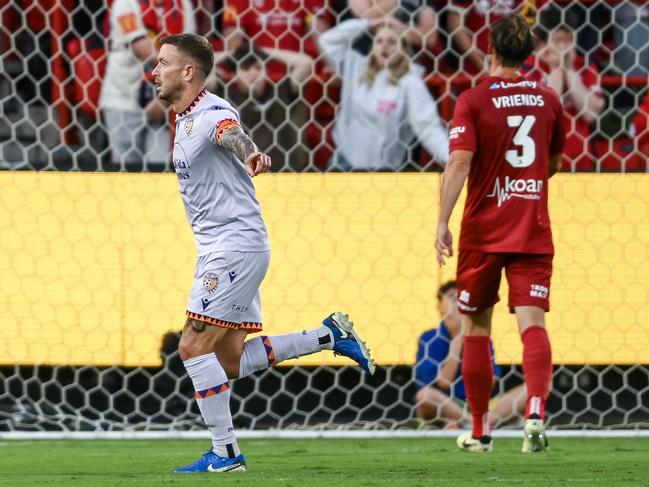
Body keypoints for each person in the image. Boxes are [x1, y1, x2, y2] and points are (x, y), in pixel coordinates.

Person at [151, 33, 375, 473]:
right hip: (231, 246)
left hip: (233, 248)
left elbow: (231, 133)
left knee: (192, 347)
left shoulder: (211, 111)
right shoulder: (184, 119)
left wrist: (251, 153)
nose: (154, 71)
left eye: (162, 63)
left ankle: (226, 452)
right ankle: (329, 335)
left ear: (188, 72)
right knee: (228, 362)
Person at [435, 13, 565, 453]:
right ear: (528, 54)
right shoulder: (548, 99)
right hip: (532, 227)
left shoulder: (473, 99)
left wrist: (442, 222)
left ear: (489, 50)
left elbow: (459, 162)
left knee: (476, 327)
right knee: (533, 324)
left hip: (483, 232)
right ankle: (534, 412)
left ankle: (480, 429)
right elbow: (553, 163)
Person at [318, 17, 449, 171]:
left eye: (392, 42)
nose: (384, 46)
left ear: (404, 48)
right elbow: (327, 40)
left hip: (385, 170)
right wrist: (368, 22)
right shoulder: (355, 67)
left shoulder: (410, 82)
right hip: (344, 164)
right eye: (379, 41)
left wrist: (453, 159)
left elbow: (428, 127)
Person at [415, 281, 526, 428]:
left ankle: (478, 422)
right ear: (440, 306)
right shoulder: (429, 338)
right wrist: (458, 340)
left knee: (531, 390)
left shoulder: (480, 336)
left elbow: (489, 384)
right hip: (446, 405)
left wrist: (469, 336)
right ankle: (475, 423)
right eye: (453, 299)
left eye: (462, 300)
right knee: (424, 396)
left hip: (479, 405)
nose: (458, 305)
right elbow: (444, 383)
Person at [100, 0, 195, 168]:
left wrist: (164, 100)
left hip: (164, 101)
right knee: (125, 170)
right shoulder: (125, 4)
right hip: (123, 98)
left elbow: (190, 53)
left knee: (158, 167)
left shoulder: (182, 4)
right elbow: (142, 49)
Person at [523, 7, 604, 171]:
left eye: (568, 40)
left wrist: (568, 69)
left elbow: (590, 113)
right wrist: (555, 68)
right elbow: (544, 112)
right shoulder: (528, 68)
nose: (564, 47)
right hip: (541, 162)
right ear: (542, 42)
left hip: (580, 163)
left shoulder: (583, 65)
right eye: (558, 40)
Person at [208, 45, 311, 171]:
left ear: (266, 72)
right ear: (234, 74)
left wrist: (262, 51)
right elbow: (199, 66)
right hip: (241, 174)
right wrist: (233, 52)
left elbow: (305, 63)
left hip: (283, 173)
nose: (253, 73)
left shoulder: (280, 91)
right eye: (245, 68)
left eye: (258, 68)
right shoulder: (223, 94)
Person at [221, 0, 331, 80]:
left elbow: (320, 35)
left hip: (295, 72)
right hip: (256, 75)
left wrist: (331, 64)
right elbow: (233, 45)